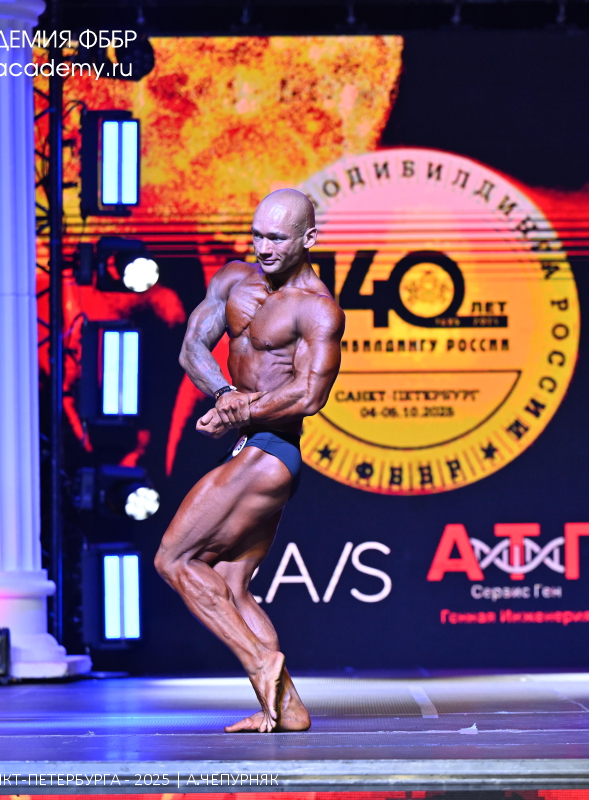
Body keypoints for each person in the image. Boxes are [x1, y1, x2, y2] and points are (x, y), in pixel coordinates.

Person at [154, 188, 344, 733]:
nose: (263, 247)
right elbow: (192, 347)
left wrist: (241, 410)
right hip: (248, 443)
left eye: (277, 238)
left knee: (174, 559)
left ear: (308, 239)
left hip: (272, 450)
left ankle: (261, 662)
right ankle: (287, 709)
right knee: (230, 583)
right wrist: (223, 395)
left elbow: (309, 395)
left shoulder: (317, 308)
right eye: (257, 234)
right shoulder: (233, 279)